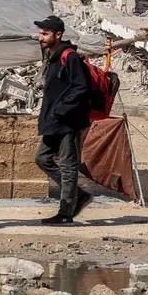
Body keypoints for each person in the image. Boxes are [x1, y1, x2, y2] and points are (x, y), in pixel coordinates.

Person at [34, 15, 94, 225]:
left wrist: (61, 110)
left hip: (67, 122)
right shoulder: (52, 57)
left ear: (58, 35)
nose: (40, 37)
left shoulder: (70, 57)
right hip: (53, 121)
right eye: (40, 33)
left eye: (45, 33)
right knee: (42, 158)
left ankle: (66, 212)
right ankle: (79, 194)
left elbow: (81, 87)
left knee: (68, 166)